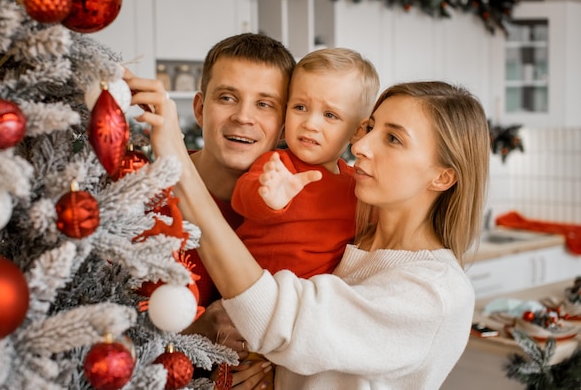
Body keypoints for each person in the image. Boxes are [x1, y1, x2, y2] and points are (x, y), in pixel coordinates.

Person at [132, 78, 490, 389]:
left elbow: (273, 316)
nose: (361, 146)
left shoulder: (436, 293)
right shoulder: (349, 245)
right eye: (370, 128)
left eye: (393, 138)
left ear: (442, 176)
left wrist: (176, 160)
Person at [128, 33, 295, 388]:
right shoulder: (138, 194)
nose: (243, 117)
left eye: (265, 104)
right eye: (227, 98)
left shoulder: (299, 212)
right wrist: (196, 333)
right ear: (200, 108)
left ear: (283, 125)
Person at [232, 47, 379, 279]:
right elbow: (242, 196)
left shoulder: (357, 184)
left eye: (330, 115)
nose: (310, 123)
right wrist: (267, 197)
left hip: (312, 297)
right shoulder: (278, 164)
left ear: (358, 130)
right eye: (300, 107)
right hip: (255, 287)